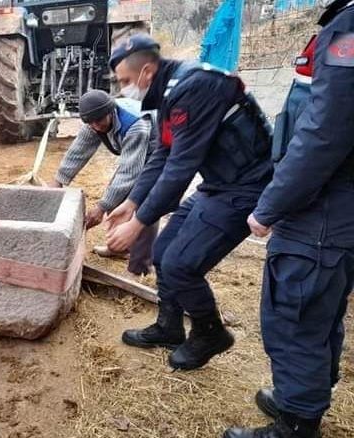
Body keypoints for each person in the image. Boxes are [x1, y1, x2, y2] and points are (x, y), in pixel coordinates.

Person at [105, 35, 274, 370]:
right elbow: (163, 153)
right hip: (218, 184)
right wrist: (133, 202)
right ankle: (169, 327)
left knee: (182, 264)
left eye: (125, 81)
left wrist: (137, 225)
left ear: (147, 72)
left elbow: (181, 167)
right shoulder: (168, 92)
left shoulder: (193, 88)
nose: (123, 89)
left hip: (246, 186)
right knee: (163, 253)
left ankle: (210, 332)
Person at [224, 1, 354, 436]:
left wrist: (270, 206)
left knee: (294, 314)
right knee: (320, 313)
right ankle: (305, 397)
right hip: (335, 208)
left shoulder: (350, 27)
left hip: (320, 209)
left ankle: (296, 423)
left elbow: (324, 133)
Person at [48, 90, 158, 275]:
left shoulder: (136, 125)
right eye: (90, 123)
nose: (96, 127)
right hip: (137, 154)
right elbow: (78, 151)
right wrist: (58, 181)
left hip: (159, 153)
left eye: (99, 121)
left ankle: (142, 264)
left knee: (146, 203)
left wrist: (101, 207)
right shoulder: (93, 121)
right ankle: (119, 248)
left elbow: (129, 173)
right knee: (116, 199)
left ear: (111, 111)